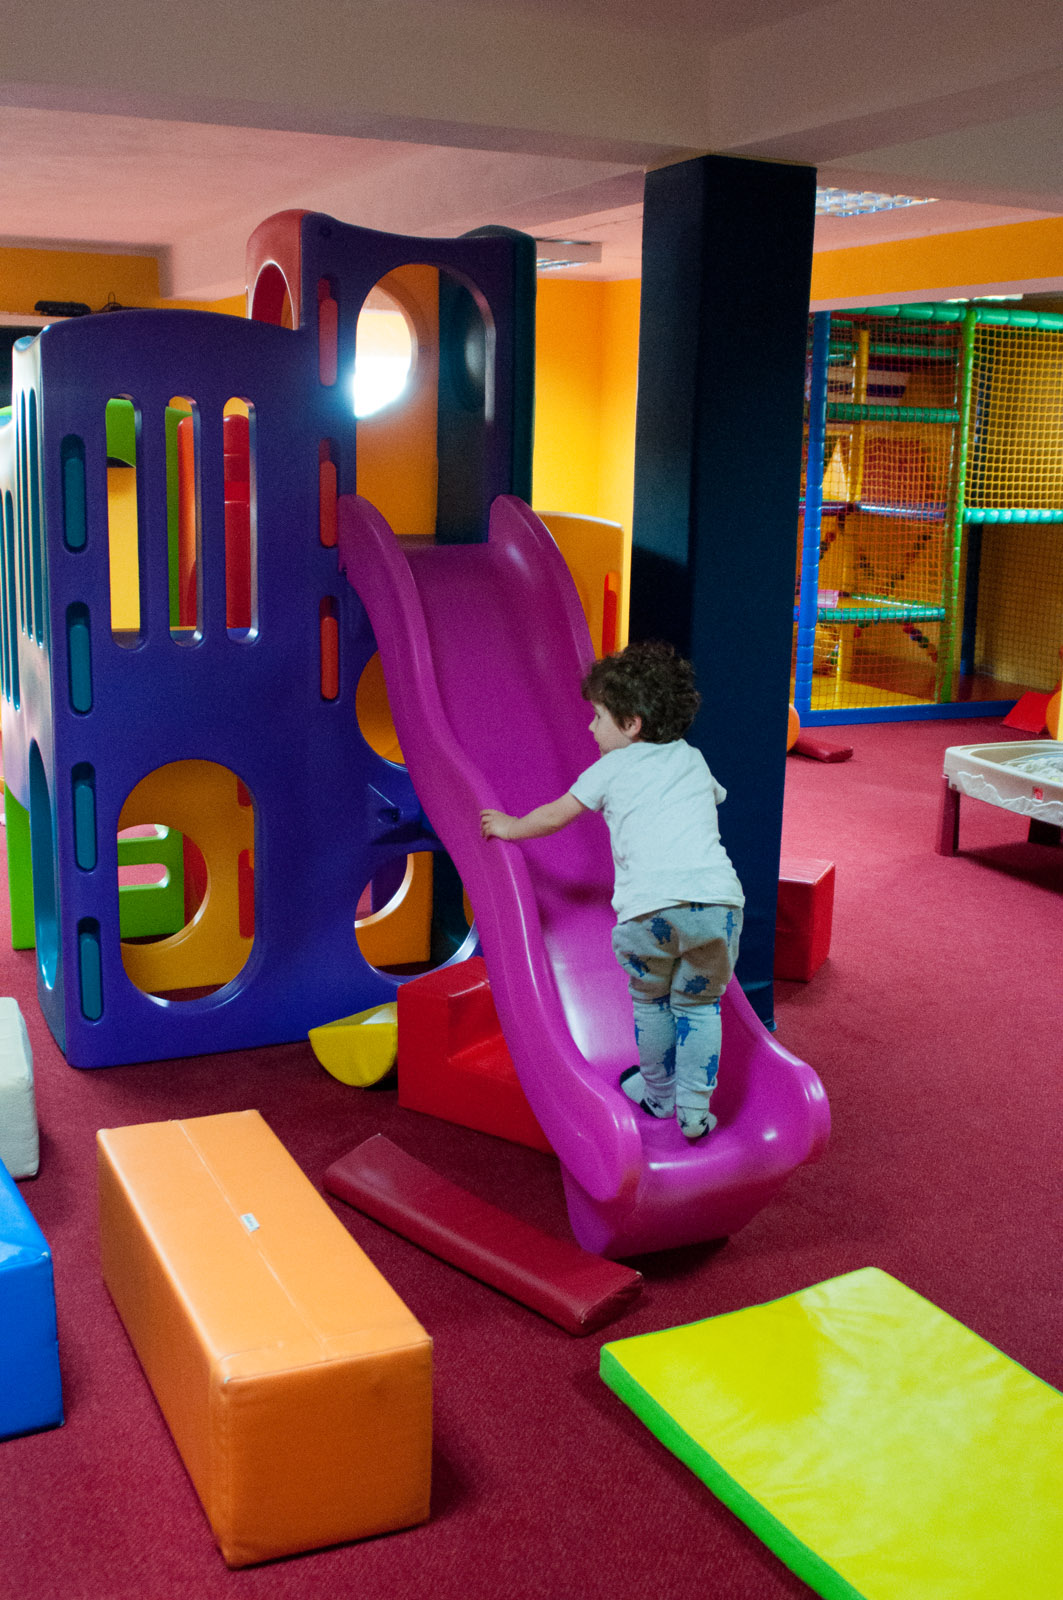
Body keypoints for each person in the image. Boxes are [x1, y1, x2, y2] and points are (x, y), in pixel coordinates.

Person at [480, 640, 744, 1140]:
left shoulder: (610, 768)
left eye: (598, 717)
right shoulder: (693, 759)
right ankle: (694, 1110)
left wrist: (511, 827)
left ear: (631, 725)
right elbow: (713, 800)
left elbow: (555, 815)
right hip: (719, 907)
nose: (590, 728)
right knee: (699, 1006)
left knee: (652, 1002)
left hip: (650, 914)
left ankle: (658, 1094)